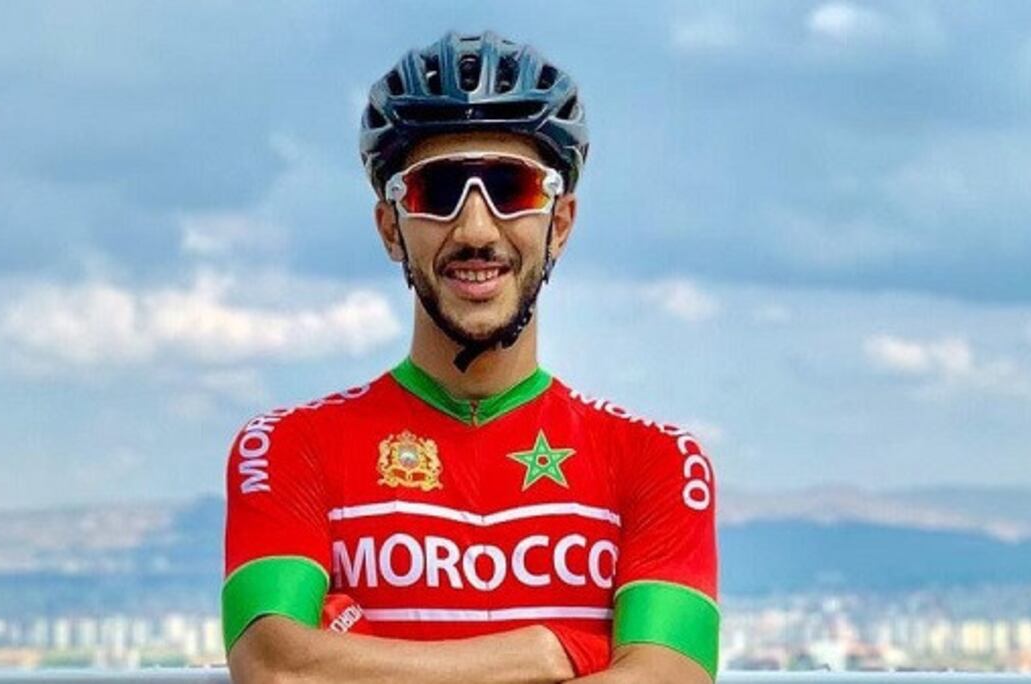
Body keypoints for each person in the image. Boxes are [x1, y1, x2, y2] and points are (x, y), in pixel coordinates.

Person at [223, 30, 719, 684]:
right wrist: (548, 651)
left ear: (560, 224)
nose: (476, 230)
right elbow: (276, 667)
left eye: (512, 188)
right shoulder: (288, 447)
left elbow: (667, 677)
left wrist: (359, 663)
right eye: (436, 191)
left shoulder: (657, 461)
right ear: (390, 229)